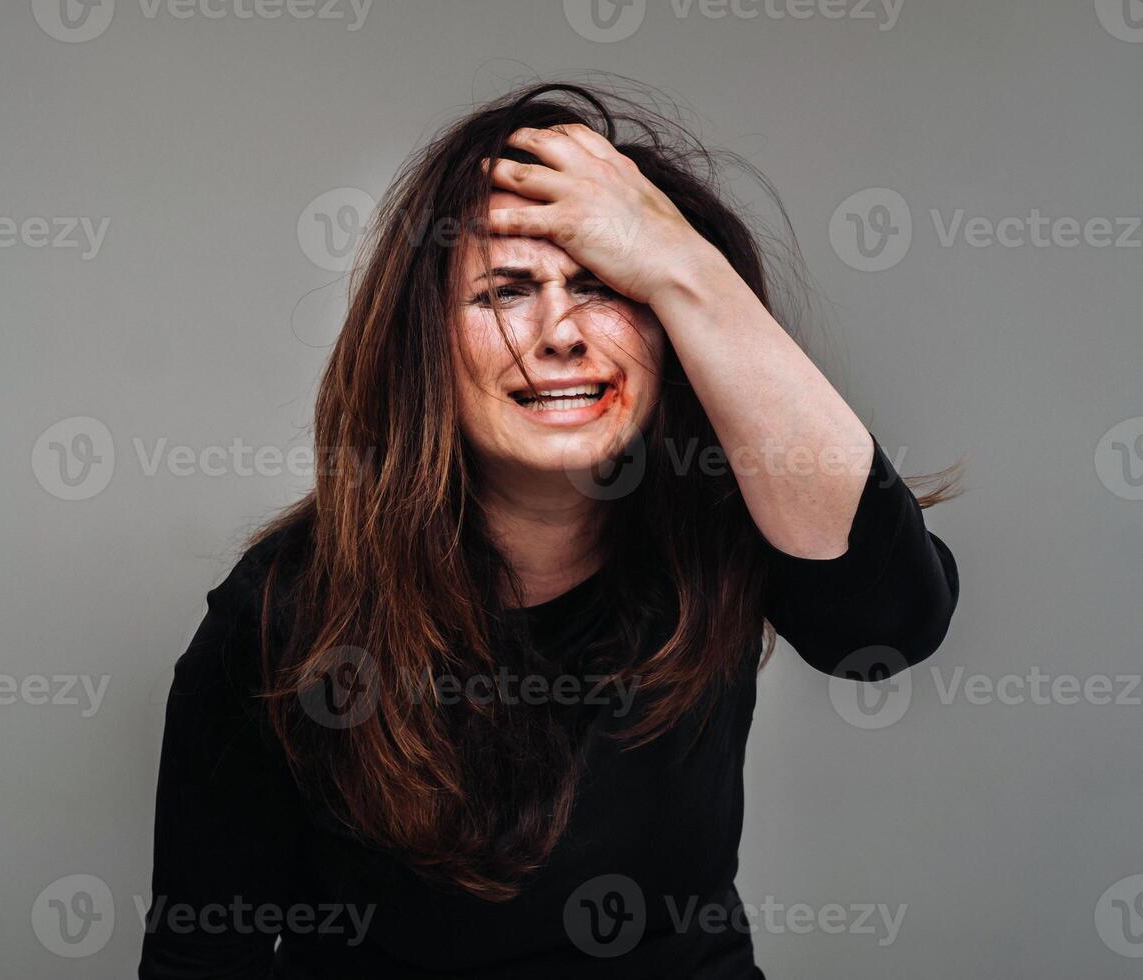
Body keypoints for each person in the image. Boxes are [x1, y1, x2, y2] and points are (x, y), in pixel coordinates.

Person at [138, 81, 960, 979]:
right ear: (426, 347)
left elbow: (886, 626)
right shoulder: (282, 613)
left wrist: (683, 262)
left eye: (606, 285)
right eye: (506, 290)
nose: (560, 333)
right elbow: (201, 960)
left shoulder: (721, 529)